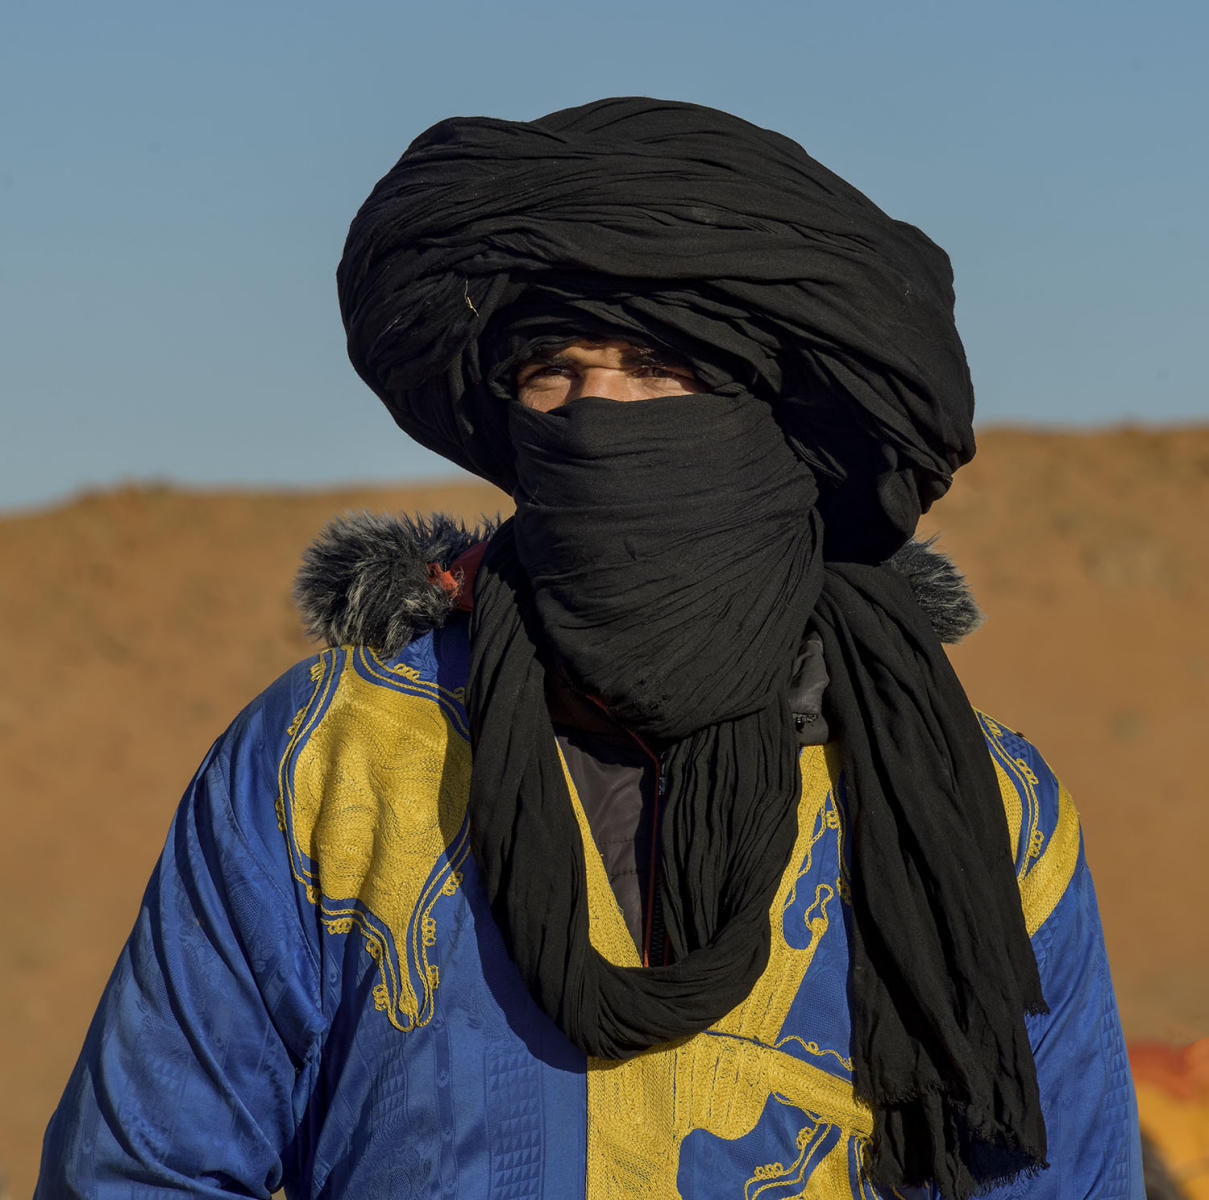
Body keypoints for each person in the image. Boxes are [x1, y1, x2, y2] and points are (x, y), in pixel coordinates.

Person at [37, 98, 1144, 1198]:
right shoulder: (334, 758)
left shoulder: (974, 808)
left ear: (772, 422)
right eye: (552, 371)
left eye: (658, 369)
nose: (595, 413)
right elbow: (141, 1168)